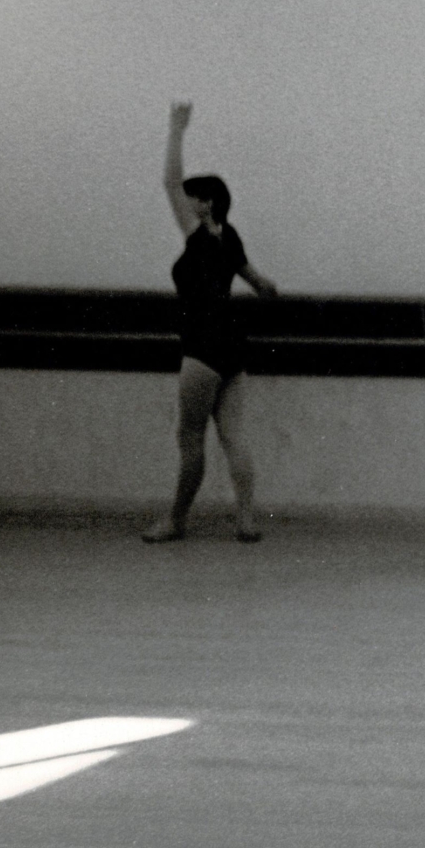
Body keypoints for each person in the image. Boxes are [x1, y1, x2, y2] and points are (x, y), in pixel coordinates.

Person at [144, 101, 279, 543]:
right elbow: (260, 283)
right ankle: (246, 519)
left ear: (205, 204)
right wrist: (267, 290)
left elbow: (168, 181)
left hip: (202, 345)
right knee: (234, 437)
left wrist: (176, 128)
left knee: (190, 438)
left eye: (193, 197)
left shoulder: (197, 233)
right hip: (233, 345)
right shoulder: (231, 236)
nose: (185, 201)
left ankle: (177, 520)